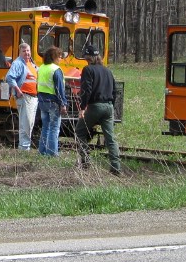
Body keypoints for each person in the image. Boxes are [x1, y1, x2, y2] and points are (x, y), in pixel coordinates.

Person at [74, 44, 122, 176]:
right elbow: (115, 90)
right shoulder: (107, 71)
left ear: (87, 57)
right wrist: (110, 105)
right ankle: (116, 167)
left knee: (79, 131)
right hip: (108, 107)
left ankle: (85, 161)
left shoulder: (88, 70)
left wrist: (82, 108)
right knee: (110, 138)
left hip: (95, 106)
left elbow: (86, 90)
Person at [4, 42, 39, 151]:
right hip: (25, 97)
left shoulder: (31, 64)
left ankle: (25, 146)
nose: (27, 53)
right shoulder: (18, 63)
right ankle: (24, 148)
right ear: (20, 52)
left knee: (30, 123)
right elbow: (9, 77)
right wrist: (18, 90)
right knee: (26, 123)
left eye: (28, 51)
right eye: (24, 51)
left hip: (33, 97)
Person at [36, 46, 67, 157]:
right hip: (53, 102)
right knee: (54, 128)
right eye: (59, 56)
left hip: (42, 101)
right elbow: (59, 89)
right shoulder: (56, 70)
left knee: (45, 127)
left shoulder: (41, 68)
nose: (60, 59)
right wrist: (63, 103)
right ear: (54, 57)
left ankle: (42, 151)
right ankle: (52, 153)